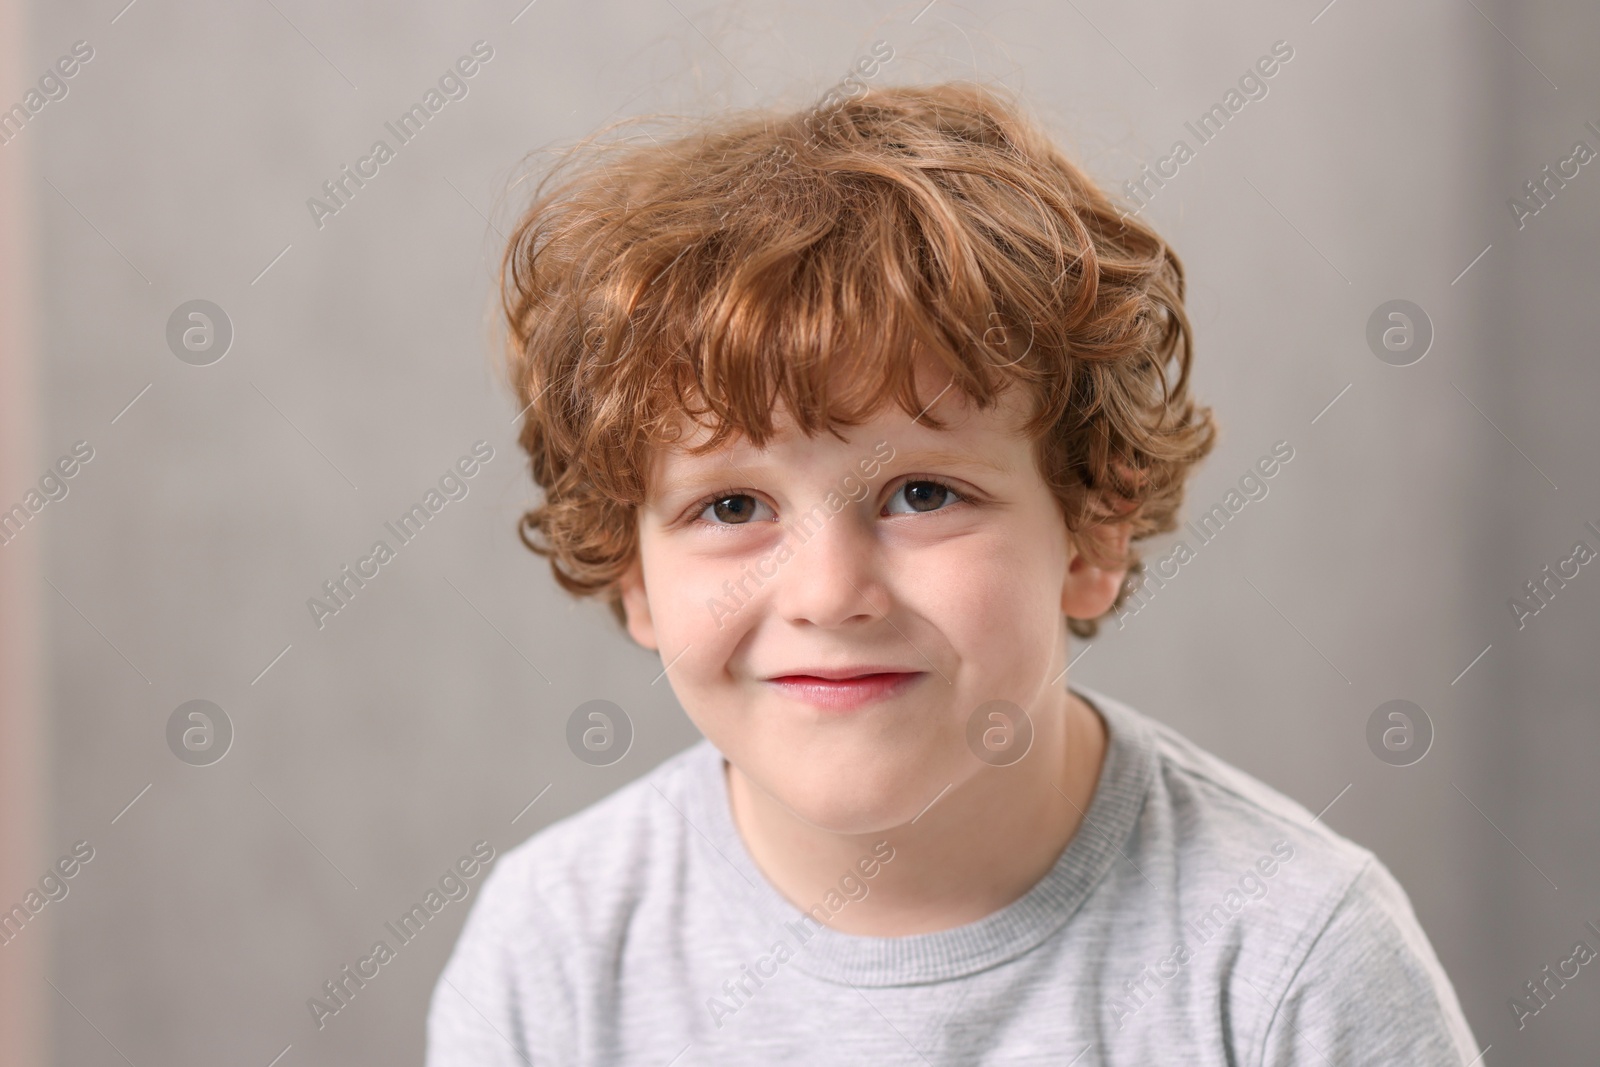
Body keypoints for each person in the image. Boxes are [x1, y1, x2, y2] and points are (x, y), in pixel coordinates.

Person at [426, 80, 1479, 1064]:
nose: (828, 593)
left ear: (1092, 531)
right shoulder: (554, 949)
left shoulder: (1287, 961)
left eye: (922, 493)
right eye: (732, 506)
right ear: (634, 572)